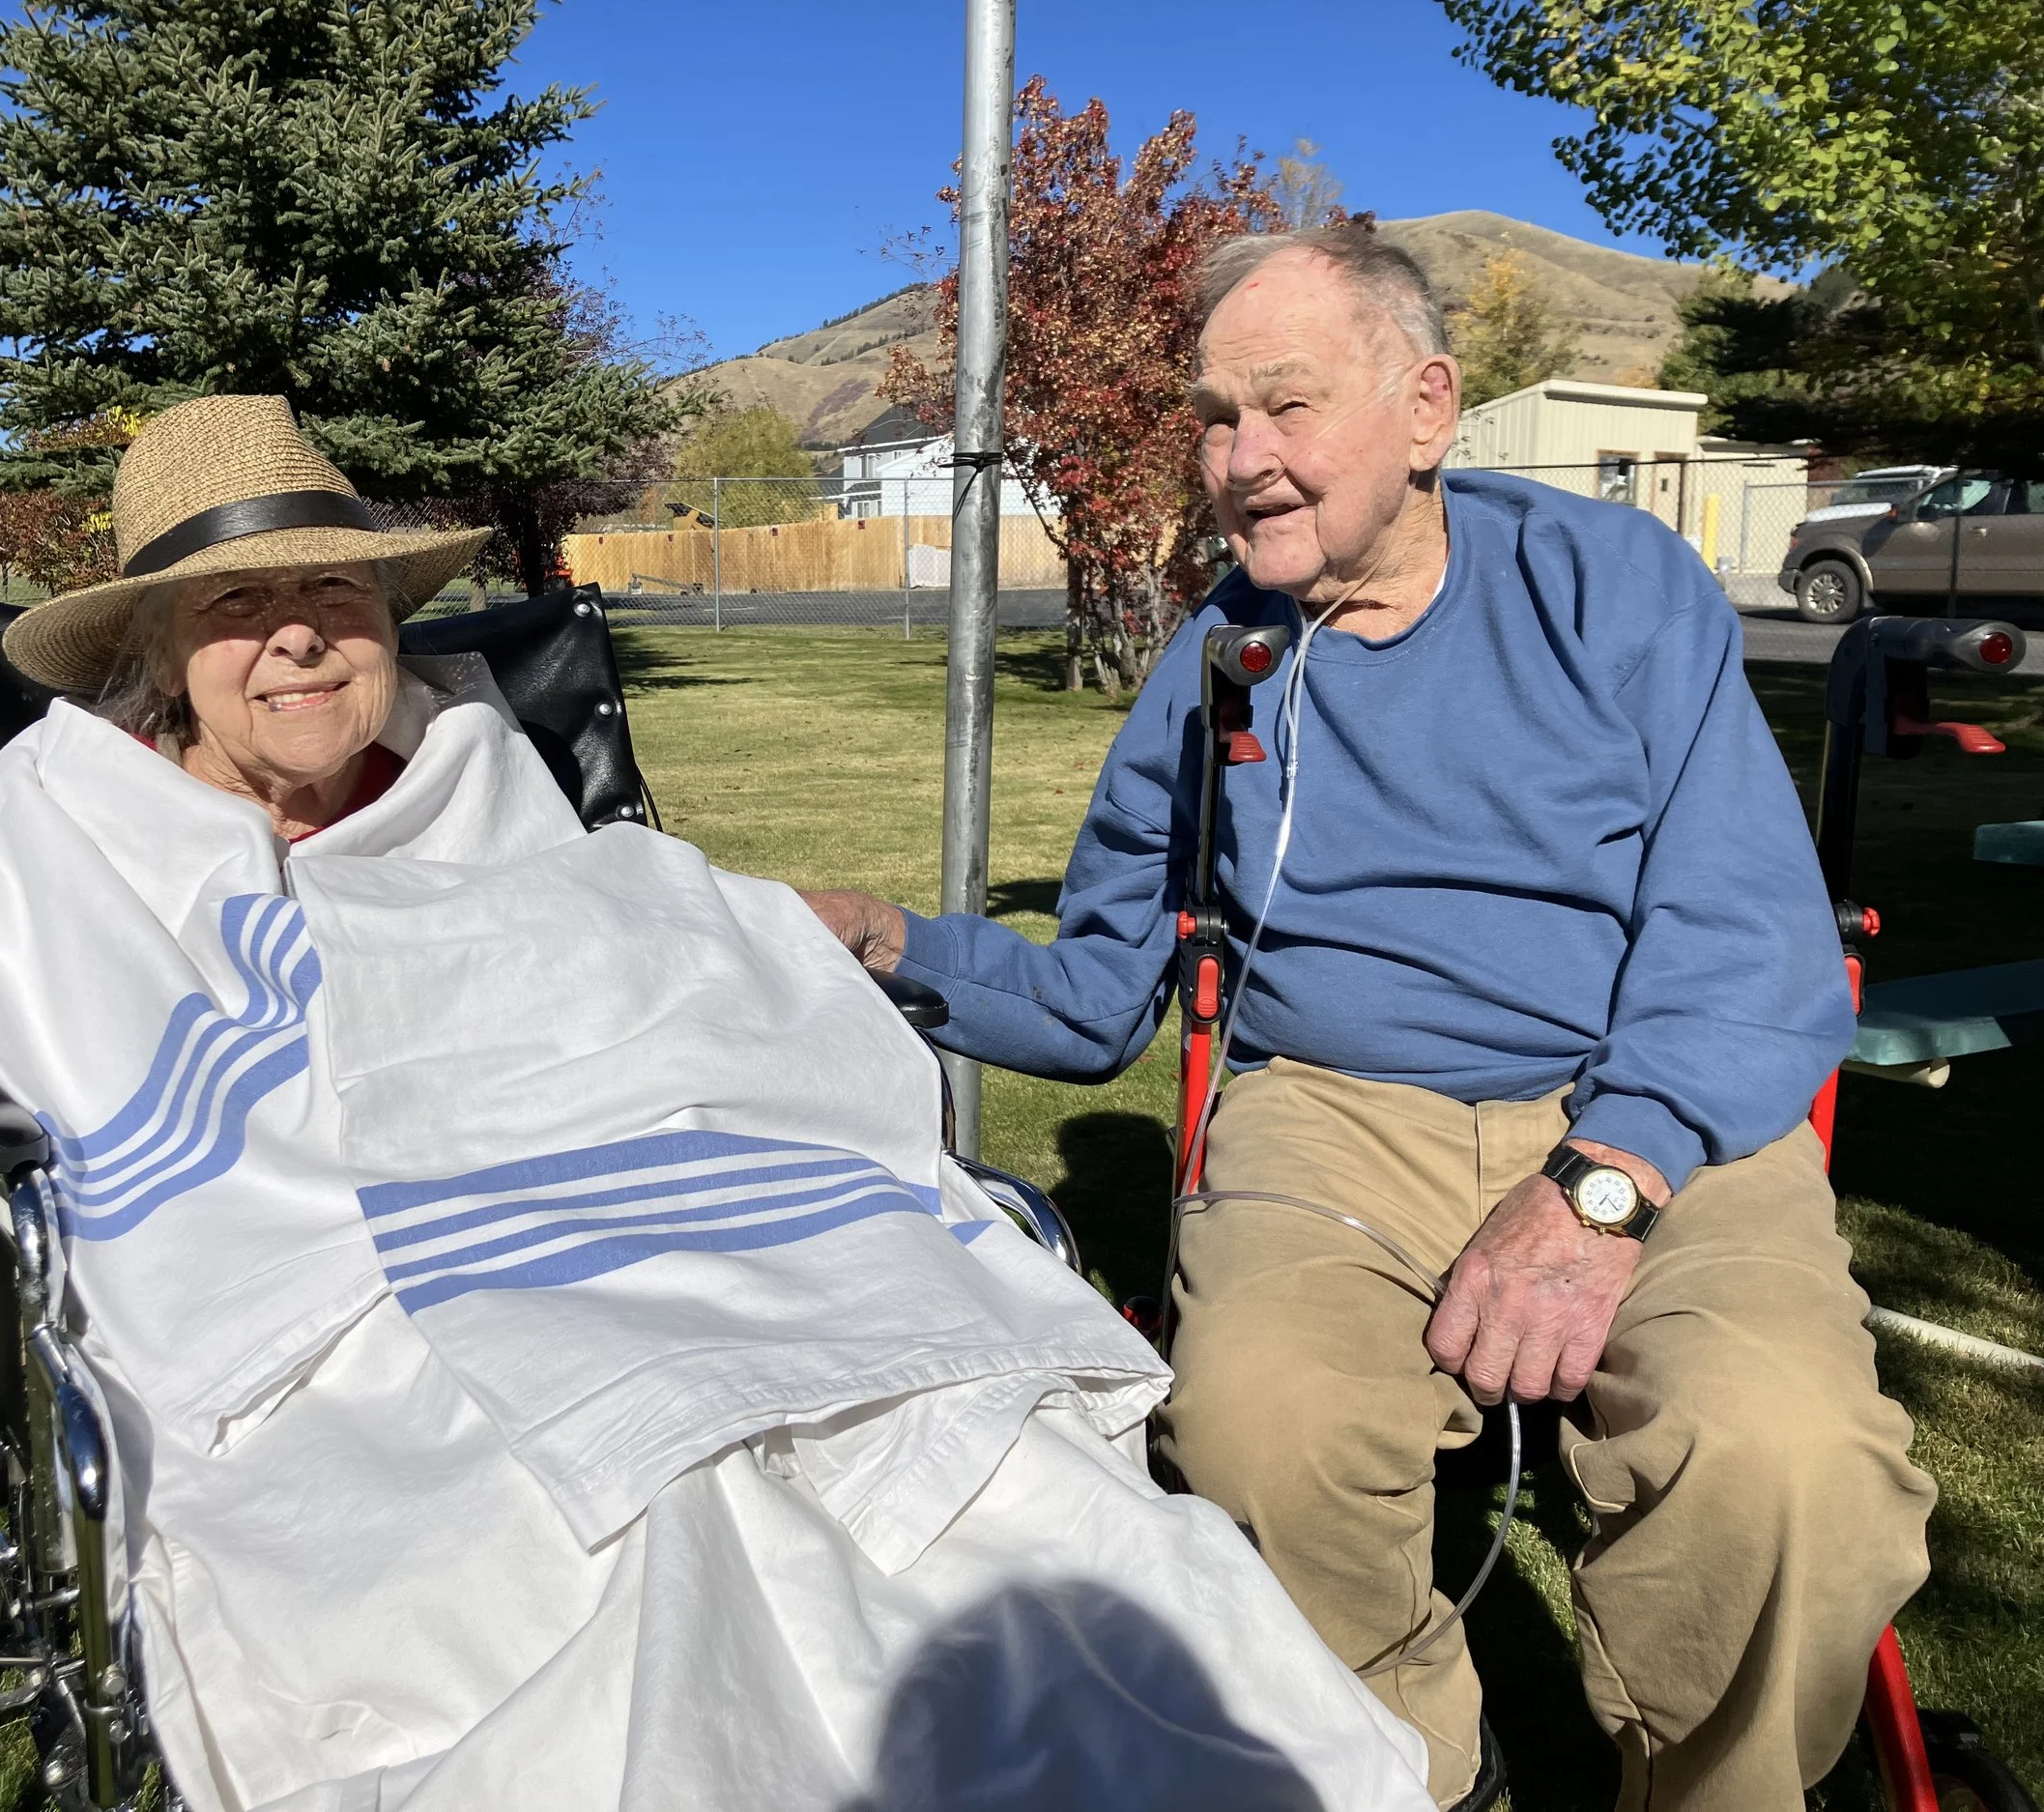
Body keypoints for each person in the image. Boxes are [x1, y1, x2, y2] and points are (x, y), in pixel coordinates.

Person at [0, 394, 1437, 1812]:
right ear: (156, 650)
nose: (298, 632)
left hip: (663, 1226)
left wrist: (741, 944)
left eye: (333, 586)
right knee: (635, 1529)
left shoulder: (475, 765)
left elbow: (631, 955)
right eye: (237, 601)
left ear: (390, 615)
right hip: (358, 1291)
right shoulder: (85, 827)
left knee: (1014, 1499)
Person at [804, 228, 1936, 1812]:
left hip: (1643, 1103)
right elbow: (1099, 992)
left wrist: (1602, 1187)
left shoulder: (1612, 591)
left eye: (1286, 406)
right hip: (1333, 1109)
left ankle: (1721, 1787)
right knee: (1263, 1423)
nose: (1240, 459)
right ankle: (1409, 1774)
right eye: (1213, 415)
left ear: (1426, 410)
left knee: (1793, 1457)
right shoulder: (1219, 662)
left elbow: (1748, 936)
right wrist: (885, 940)